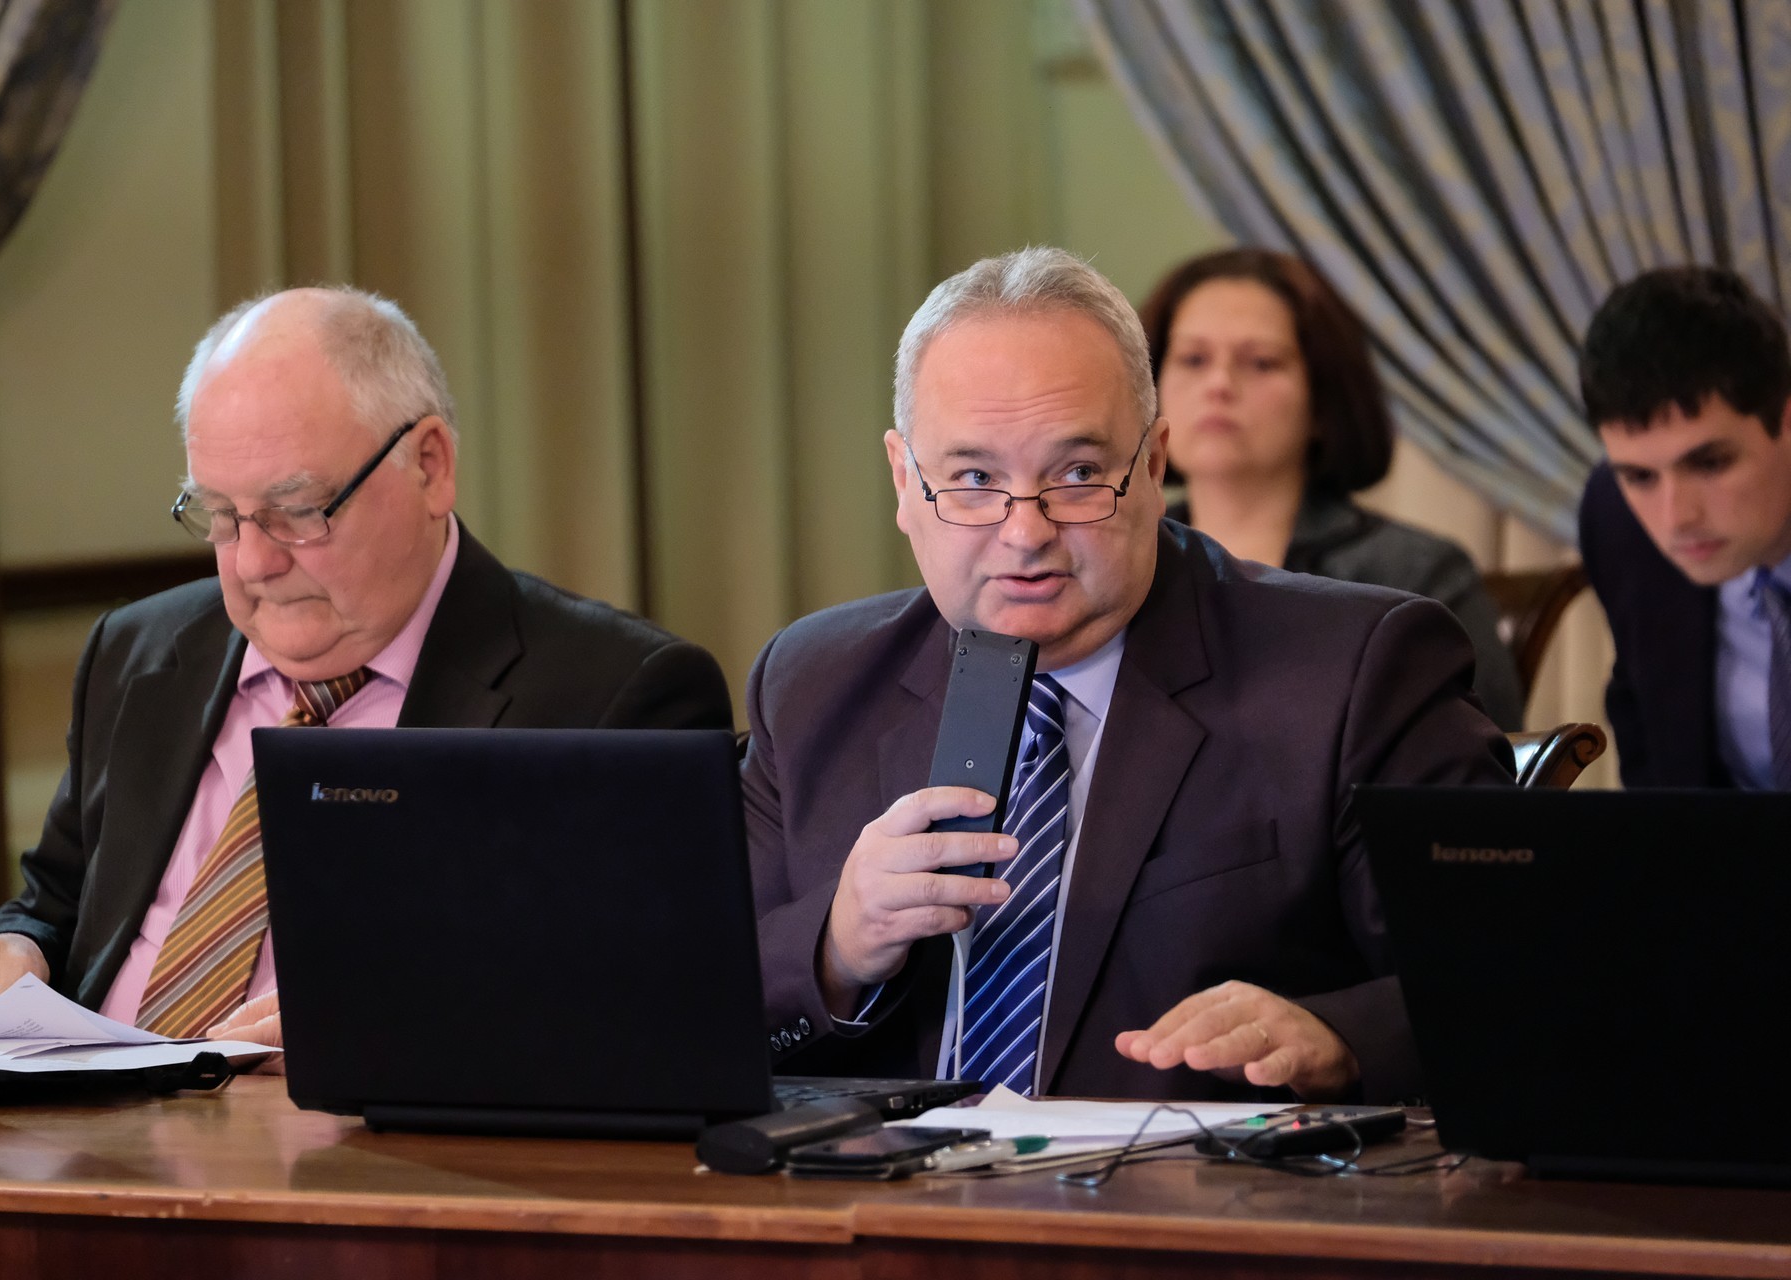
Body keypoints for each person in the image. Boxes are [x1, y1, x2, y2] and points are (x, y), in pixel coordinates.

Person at [744, 247, 1511, 1105]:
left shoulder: (1354, 669)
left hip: (1189, 1184)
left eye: (1077, 475)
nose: (1025, 533)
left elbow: (1510, 983)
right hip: (878, 1183)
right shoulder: (813, 685)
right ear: (903, 479)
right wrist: (835, 950)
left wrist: (1339, 1041)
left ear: (1151, 465)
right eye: (974, 480)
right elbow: (686, 1005)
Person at [0, 287, 734, 1049]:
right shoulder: (137, 652)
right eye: (219, 514)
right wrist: (12, 950)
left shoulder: (615, 696)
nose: (252, 562)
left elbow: (646, 1010)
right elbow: (59, 904)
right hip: (89, 1129)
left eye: (297, 512)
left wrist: (398, 1034)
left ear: (429, 466)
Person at [1140, 248, 1524, 730]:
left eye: (1261, 362)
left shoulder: (1416, 575)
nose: (1219, 384)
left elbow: (1487, 761)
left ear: (1322, 401)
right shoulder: (1123, 555)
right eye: (1193, 359)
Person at [1577, 265, 1791, 788]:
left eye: (1710, 463)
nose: (1677, 518)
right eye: (1640, 476)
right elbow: (1649, 741)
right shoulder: (1616, 523)